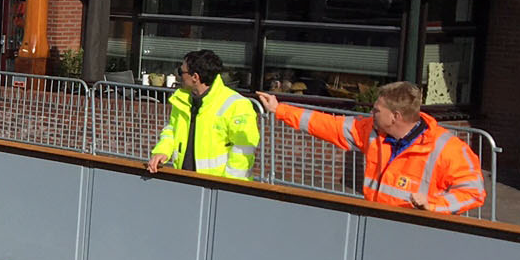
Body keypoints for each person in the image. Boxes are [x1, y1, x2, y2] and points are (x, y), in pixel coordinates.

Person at [257, 81, 486, 215]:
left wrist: (434, 205)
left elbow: (473, 193)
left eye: (376, 110)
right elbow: (330, 126)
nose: (371, 113)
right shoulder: (372, 130)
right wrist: (280, 110)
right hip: (375, 220)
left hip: (419, 232)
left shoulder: (447, 149)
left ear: (395, 116)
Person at [147, 48, 259, 180]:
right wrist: (162, 151)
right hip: (185, 178)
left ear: (195, 77)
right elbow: (171, 129)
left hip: (217, 186)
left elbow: (243, 150)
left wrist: (229, 186)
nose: (178, 76)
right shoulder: (182, 100)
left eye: (180, 72)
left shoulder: (237, 104)